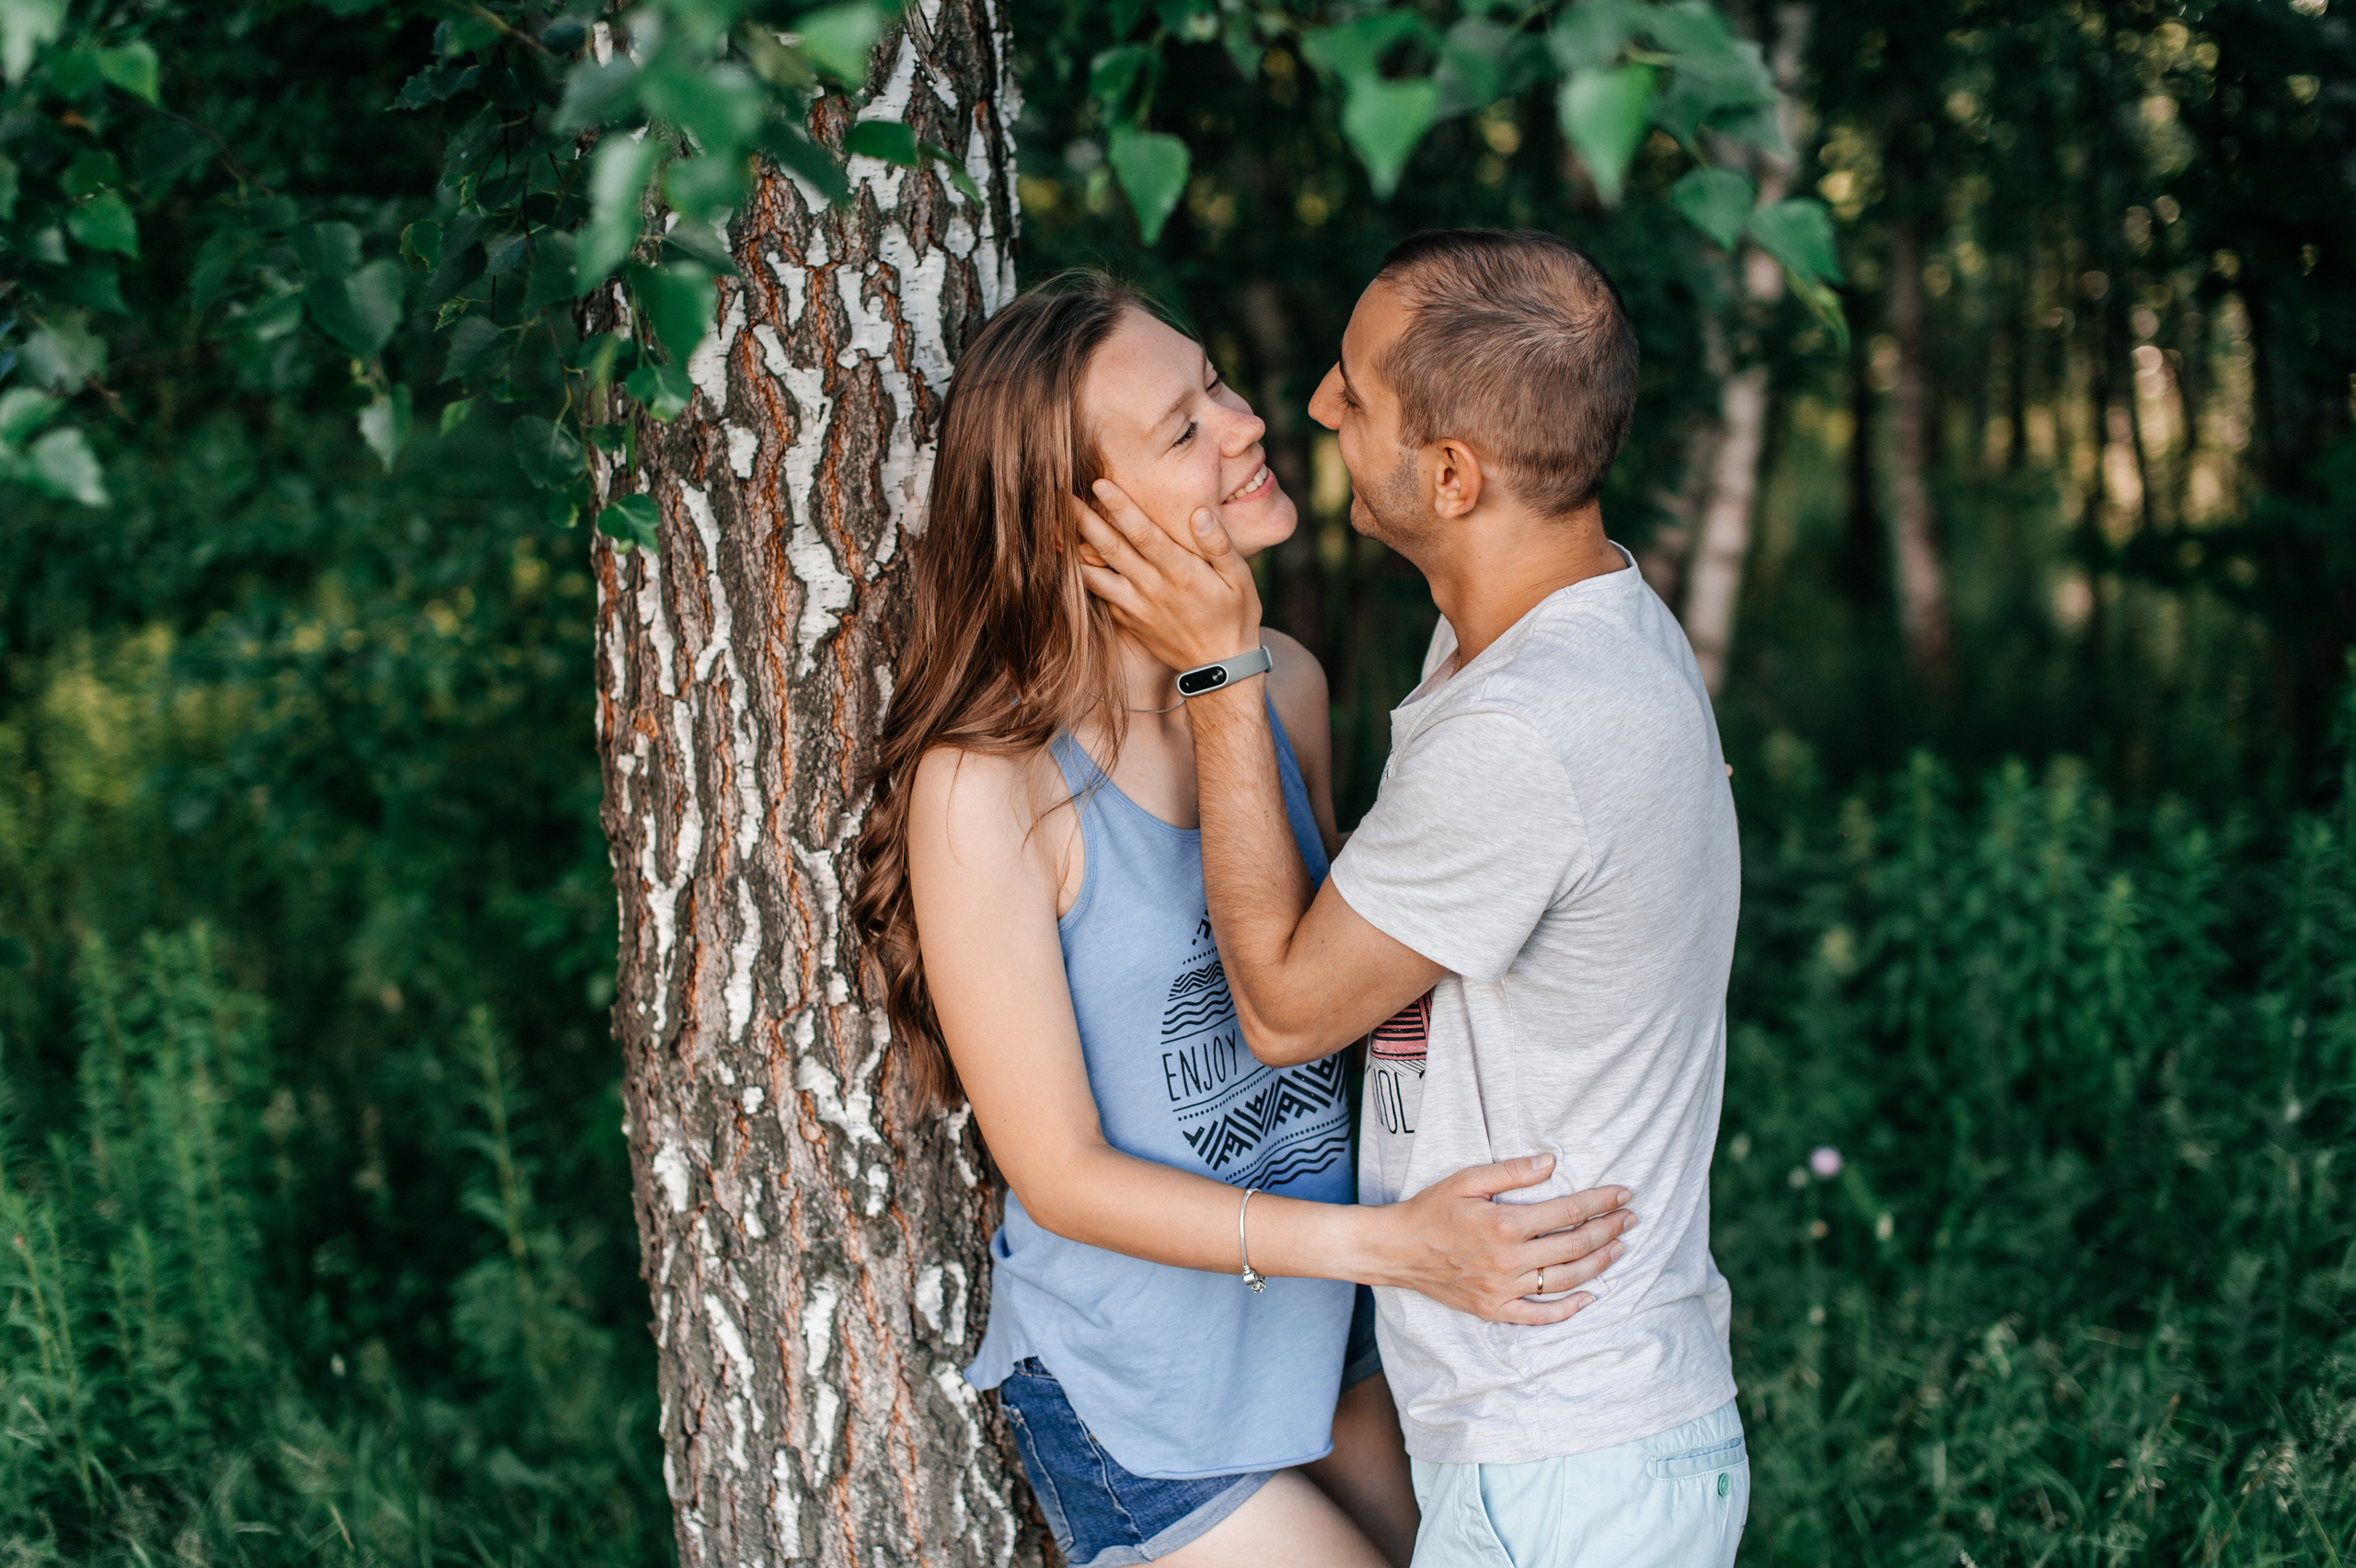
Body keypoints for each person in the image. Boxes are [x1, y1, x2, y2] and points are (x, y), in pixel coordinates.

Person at [849, 271, 1639, 1568]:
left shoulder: (1288, 693)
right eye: (1181, 428)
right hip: (1144, 1399)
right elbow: (1061, 1178)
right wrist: (1395, 1248)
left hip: (1329, 1336)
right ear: (1071, 523)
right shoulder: (992, 790)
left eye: (1214, 381)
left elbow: (1331, 1000)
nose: (1246, 422)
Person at [1071, 231, 1750, 1568]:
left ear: (1452, 475)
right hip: (1548, 1428)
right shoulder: (1548, 619)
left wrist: (1218, 675)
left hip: (1568, 1464)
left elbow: (1278, 1012)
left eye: (1356, 392)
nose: (1313, 405)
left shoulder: (1531, 727)